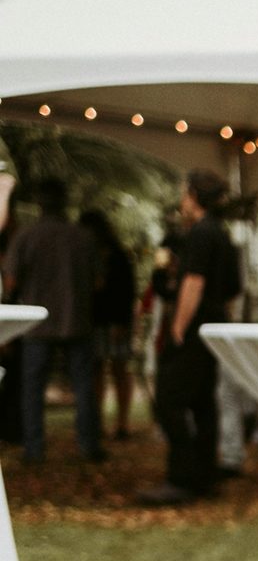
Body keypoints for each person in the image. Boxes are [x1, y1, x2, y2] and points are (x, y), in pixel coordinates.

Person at [138, 170, 238, 505]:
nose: (181, 200)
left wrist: (178, 328)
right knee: (202, 402)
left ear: (194, 195)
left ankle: (181, 478)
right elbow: (232, 288)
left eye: (184, 193)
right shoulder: (221, 234)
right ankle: (205, 475)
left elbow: (194, 283)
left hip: (194, 327)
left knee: (169, 399)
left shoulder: (200, 234)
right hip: (213, 326)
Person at [2, 178, 103, 463]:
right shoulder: (83, 237)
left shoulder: (26, 236)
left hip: (37, 325)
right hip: (77, 319)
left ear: (38, 204)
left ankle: (34, 449)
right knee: (84, 388)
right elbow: (98, 282)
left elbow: (10, 281)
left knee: (32, 389)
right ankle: (89, 445)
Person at [80, 210, 137, 441]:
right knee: (96, 371)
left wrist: (122, 321)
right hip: (94, 321)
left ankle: (122, 422)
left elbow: (128, 291)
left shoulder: (118, 256)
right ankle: (99, 422)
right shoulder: (85, 256)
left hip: (116, 322)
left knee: (119, 369)